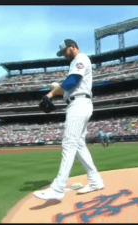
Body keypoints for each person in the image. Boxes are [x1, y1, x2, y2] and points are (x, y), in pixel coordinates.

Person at [34, 39, 104, 201]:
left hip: (79, 104)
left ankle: (58, 189)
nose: (63, 55)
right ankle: (95, 180)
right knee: (78, 144)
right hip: (78, 102)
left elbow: (72, 81)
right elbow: (69, 88)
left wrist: (50, 94)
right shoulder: (75, 64)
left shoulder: (81, 59)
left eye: (64, 51)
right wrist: (56, 90)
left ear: (72, 47)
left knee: (69, 144)